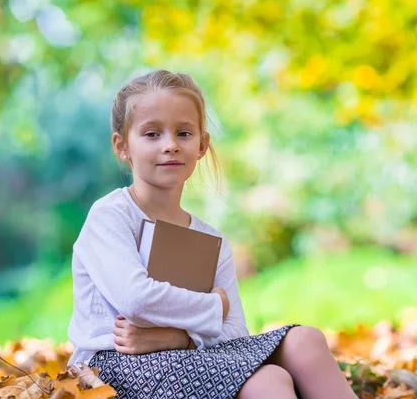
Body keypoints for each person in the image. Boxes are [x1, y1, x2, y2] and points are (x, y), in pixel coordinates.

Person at [66, 69, 357, 399]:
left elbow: (234, 329)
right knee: (268, 380)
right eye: (151, 134)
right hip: (113, 363)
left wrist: (178, 338)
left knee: (306, 339)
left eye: (184, 133)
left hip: (185, 351)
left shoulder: (210, 239)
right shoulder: (111, 216)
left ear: (202, 145)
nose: (171, 145)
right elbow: (136, 299)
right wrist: (214, 306)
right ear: (122, 145)